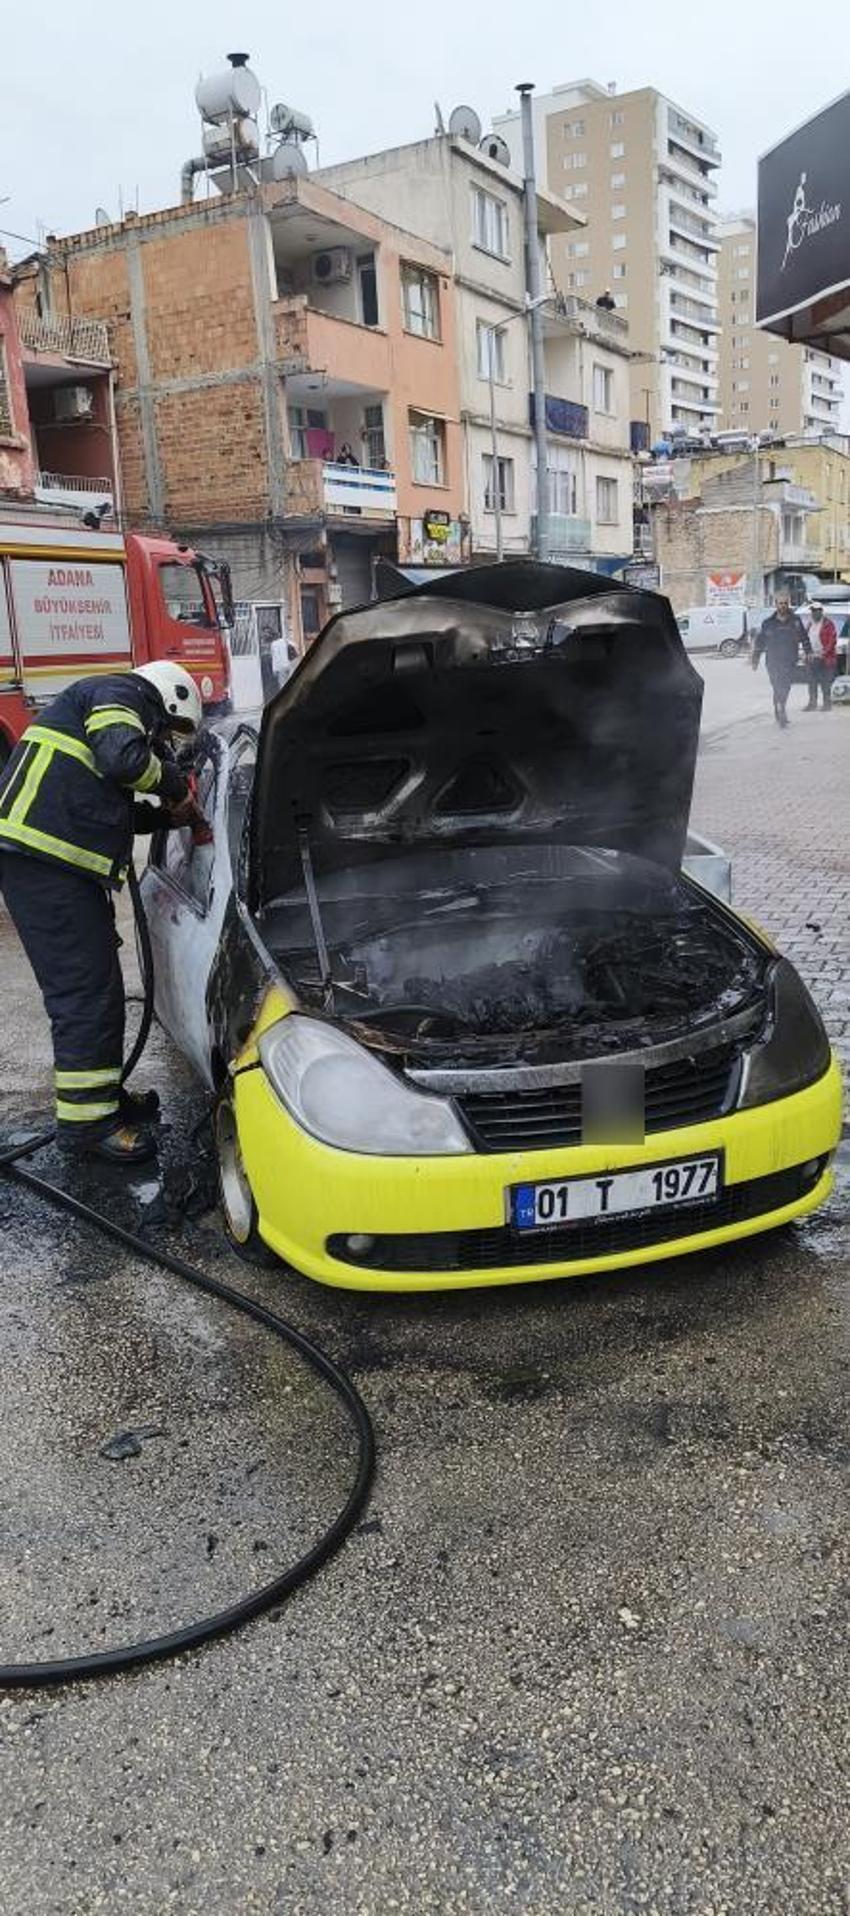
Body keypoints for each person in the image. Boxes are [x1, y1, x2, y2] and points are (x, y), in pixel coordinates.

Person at [0, 662, 205, 1165]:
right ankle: (87, 1127)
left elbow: (110, 805)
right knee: (84, 996)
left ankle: (102, 1100)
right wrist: (177, 788)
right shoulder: (116, 692)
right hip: (43, 867)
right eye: (167, 730)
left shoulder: (104, 706)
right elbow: (122, 759)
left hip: (53, 868)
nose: (163, 742)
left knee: (102, 990)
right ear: (165, 699)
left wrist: (163, 816)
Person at [752, 595, 810, 728]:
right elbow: (760, 642)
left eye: (785, 603)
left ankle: (780, 706)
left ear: (788, 604)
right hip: (773, 661)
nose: (783, 606)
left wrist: (808, 652)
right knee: (777, 685)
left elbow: (804, 637)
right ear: (776, 605)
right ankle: (780, 709)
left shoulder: (795, 621)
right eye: (780, 603)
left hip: (790, 660)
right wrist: (755, 659)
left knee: (786, 686)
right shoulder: (768, 623)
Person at [802, 600, 838, 709]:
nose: (814, 613)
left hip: (825, 658)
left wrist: (824, 652)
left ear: (821, 611)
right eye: (812, 611)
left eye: (817, 611)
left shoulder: (828, 624)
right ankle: (812, 703)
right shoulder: (809, 624)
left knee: (825, 682)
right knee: (811, 682)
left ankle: (827, 704)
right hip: (812, 657)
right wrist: (807, 653)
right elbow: (806, 639)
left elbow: (832, 641)